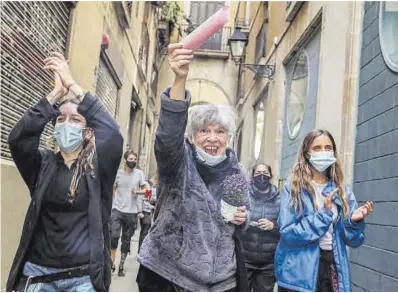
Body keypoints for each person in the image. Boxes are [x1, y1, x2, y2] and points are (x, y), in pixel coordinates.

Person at [136, 43, 250, 292]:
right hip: (170, 276)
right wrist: (180, 78)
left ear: (228, 137)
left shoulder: (235, 173)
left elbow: (239, 222)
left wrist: (243, 218)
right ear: (191, 137)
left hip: (222, 282)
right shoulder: (178, 164)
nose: (212, 138)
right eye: (204, 131)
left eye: (220, 131)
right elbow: (167, 139)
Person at [6, 52, 123, 292]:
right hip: (37, 275)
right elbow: (18, 140)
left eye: (76, 120)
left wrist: (72, 85)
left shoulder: (98, 169)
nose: (67, 124)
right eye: (61, 119)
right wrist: (54, 96)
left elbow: (112, 134)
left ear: (88, 131)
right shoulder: (43, 165)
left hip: (81, 279)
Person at [275, 129, 374, 292]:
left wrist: (353, 222)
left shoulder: (342, 190)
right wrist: (323, 216)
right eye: (317, 148)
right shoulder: (293, 187)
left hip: (333, 268)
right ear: (307, 153)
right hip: (299, 274)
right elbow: (288, 233)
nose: (324, 152)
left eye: (328, 148)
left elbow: (354, 241)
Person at [240, 163, 280, 292]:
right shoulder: (243, 195)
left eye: (265, 173)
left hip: (268, 263)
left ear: (270, 175)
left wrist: (273, 226)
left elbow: (286, 225)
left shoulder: (280, 198)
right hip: (245, 259)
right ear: (252, 176)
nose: (262, 176)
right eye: (258, 173)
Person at [111, 150, 148, 277]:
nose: (133, 161)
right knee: (113, 237)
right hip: (117, 209)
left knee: (126, 241)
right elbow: (113, 188)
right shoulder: (118, 174)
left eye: (135, 159)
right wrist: (114, 199)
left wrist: (137, 192)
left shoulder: (139, 174)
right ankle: (111, 263)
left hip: (131, 212)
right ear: (125, 160)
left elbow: (146, 190)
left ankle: (121, 265)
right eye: (131, 159)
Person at [137, 171, 158, 253]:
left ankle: (144, 251)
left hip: (152, 212)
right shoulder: (146, 184)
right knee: (145, 231)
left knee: (148, 232)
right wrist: (139, 211)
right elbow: (141, 198)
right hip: (146, 212)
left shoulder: (157, 187)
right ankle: (141, 251)